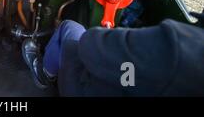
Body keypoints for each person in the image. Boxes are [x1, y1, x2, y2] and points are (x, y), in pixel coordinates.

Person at [22, 19, 204, 96]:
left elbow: (90, 45)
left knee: (71, 27)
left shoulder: (176, 45)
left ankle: (45, 74)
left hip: (86, 92)